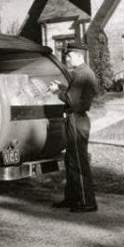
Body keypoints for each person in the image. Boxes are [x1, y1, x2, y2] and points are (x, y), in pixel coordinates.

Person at [49, 42, 99, 212]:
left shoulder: (81, 74)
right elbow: (75, 94)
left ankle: (87, 202)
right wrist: (63, 88)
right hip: (77, 120)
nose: (66, 58)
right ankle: (72, 198)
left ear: (79, 56)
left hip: (76, 120)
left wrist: (57, 91)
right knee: (71, 160)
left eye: (69, 55)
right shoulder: (83, 73)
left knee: (78, 161)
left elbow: (72, 100)